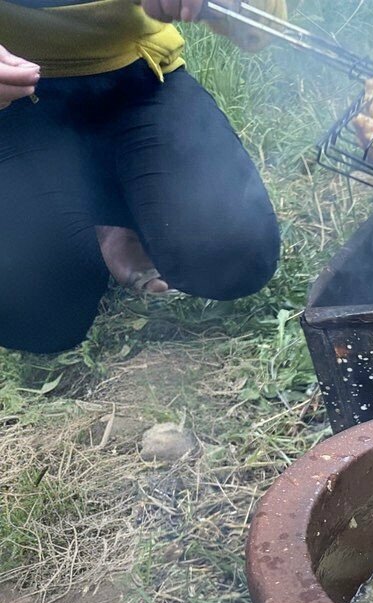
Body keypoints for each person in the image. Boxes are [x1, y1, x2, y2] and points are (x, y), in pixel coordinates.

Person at [0, 0, 283, 355]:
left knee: (236, 256)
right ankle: (91, 222)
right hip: (11, 108)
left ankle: (121, 213)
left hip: (135, 78)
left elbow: (263, 16)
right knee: (35, 317)